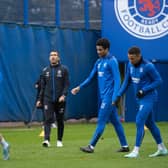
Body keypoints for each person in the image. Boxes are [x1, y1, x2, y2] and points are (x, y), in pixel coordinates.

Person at [71, 38, 129, 153]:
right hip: (104, 97)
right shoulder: (98, 62)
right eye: (97, 50)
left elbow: (118, 80)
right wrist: (79, 87)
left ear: (107, 49)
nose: (98, 52)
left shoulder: (112, 61)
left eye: (100, 50)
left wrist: (115, 97)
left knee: (101, 121)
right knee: (116, 122)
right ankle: (125, 146)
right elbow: (91, 77)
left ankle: (91, 146)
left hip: (109, 98)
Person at [113, 46, 168, 158]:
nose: (130, 61)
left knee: (139, 121)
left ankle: (136, 151)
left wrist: (144, 90)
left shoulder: (148, 66)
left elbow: (158, 81)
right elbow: (126, 82)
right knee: (150, 124)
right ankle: (162, 148)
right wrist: (118, 95)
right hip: (139, 99)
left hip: (149, 98)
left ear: (139, 56)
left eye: (132, 58)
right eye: (129, 58)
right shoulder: (130, 65)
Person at [36, 51, 70, 147]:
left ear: (58, 58)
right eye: (51, 55)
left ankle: (59, 140)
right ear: (49, 58)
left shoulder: (64, 69)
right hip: (48, 99)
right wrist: (39, 99)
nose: (53, 57)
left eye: (55, 55)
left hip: (60, 100)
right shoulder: (45, 70)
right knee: (47, 119)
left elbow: (67, 84)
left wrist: (63, 95)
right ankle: (46, 140)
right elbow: (42, 87)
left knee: (60, 120)